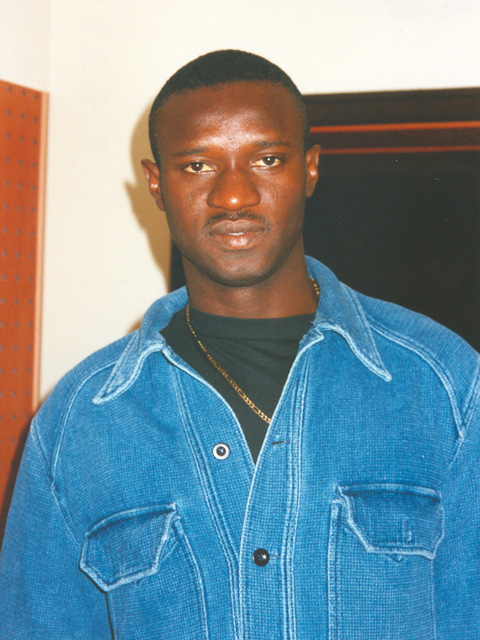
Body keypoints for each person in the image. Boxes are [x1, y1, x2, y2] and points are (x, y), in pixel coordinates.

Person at [0, 49, 479, 640]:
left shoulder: (445, 385)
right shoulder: (81, 421)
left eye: (267, 159)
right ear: (156, 183)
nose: (233, 196)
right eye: (198, 165)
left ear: (309, 169)